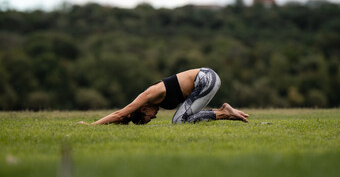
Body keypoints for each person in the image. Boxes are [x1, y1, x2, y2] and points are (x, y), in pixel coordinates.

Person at [79, 68, 249, 125]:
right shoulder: (151, 102)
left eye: (149, 117)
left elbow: (121, 113)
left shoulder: (148, 95)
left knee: (178, 121)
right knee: (183, 119)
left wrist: (91, 125)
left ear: (144, 108)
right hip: (206, 79)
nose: (154, 117)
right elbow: (124, 118)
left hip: (206, 79)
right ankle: (222, 111)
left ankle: (225, 113)